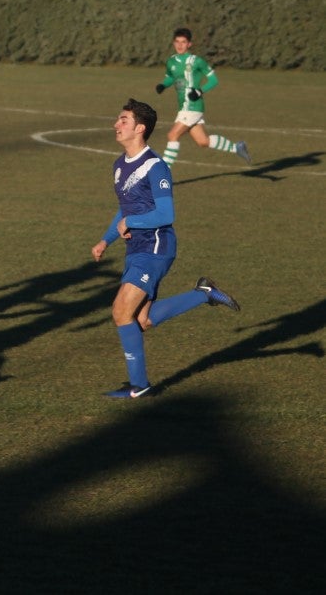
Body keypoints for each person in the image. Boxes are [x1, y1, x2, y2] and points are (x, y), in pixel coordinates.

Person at [90, 97, 241, 399]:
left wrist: (130, 222)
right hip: (137, 249)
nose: (116, 125)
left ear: (140, 128)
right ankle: (203, 293)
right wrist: (106, 239)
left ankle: (139, 386)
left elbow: (165, 215)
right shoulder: (119, 166)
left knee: (121, 311)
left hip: (157, 246)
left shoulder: (155, 167)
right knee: (140, 320)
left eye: (123, 120)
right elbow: (124, 210)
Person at [154, 27, 250, 166]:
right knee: (203, 141)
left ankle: (162, 176)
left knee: (172, 135)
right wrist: (163, 85)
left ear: (189, 44)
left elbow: (213, 80)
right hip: (183, 106)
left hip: (193, 105)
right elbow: (170, 77)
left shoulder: (197, 61)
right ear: (173, 43)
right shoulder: (171, 61)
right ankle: (237, 148)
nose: (180, 45)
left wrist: (200, 91)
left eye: (183, 42)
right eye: (177, 42)